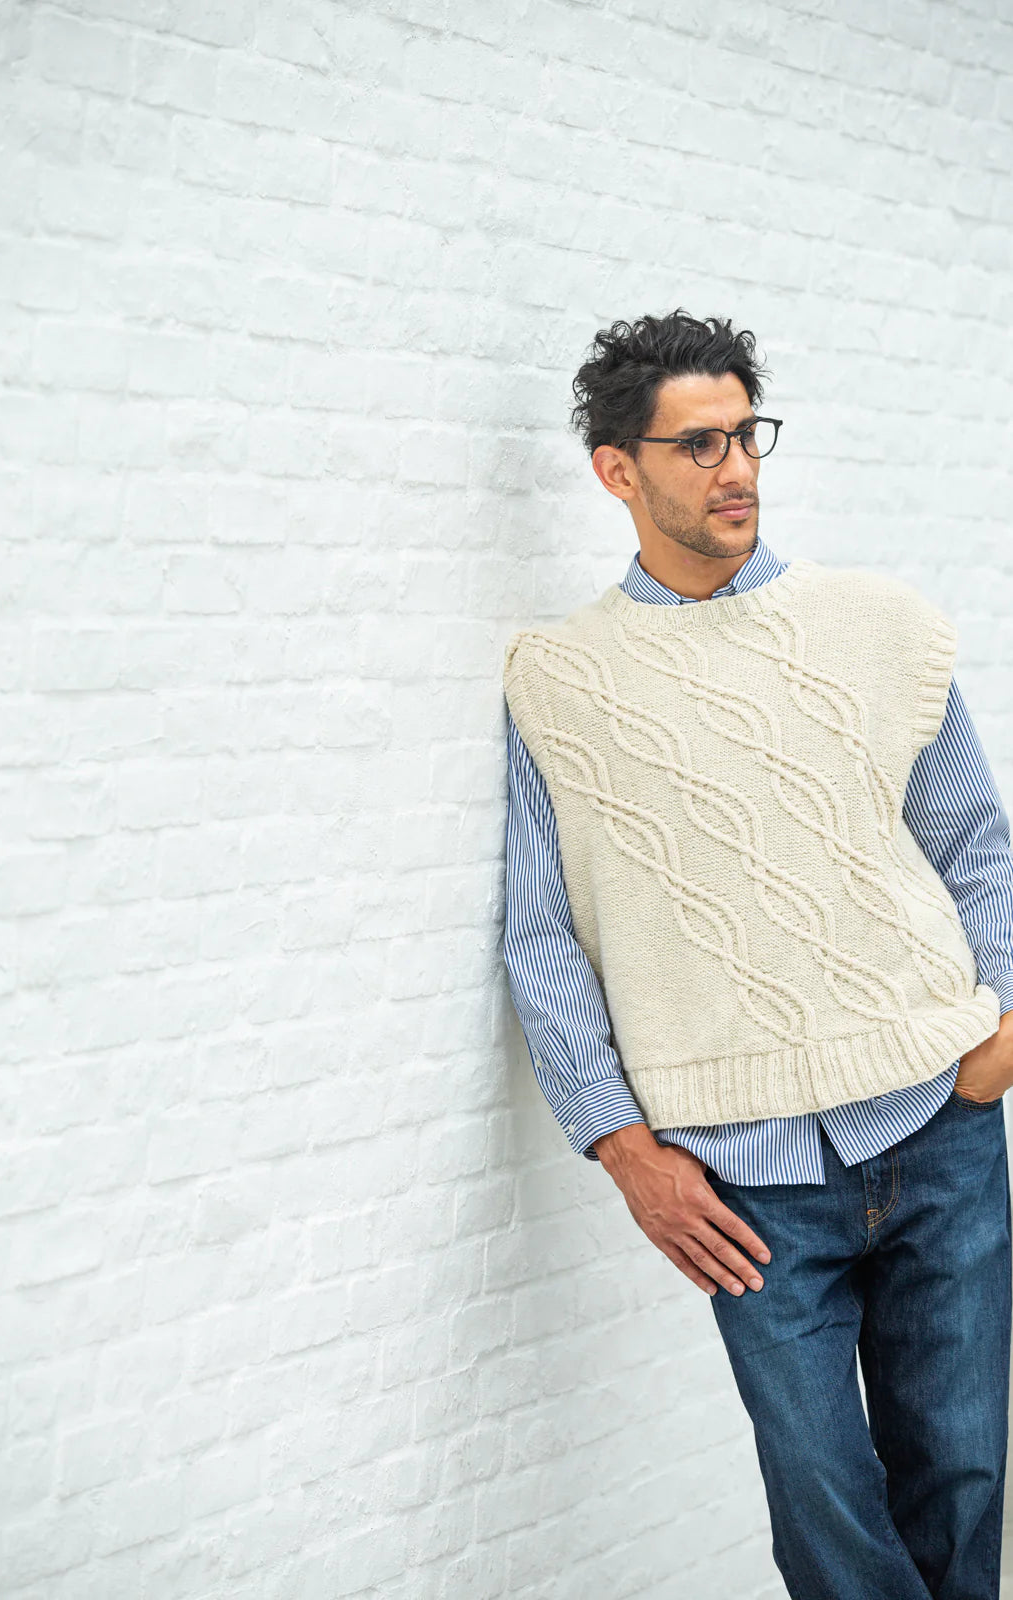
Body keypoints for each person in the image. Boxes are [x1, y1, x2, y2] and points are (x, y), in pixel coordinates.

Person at [501, 309, 1013, 1599]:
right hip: (745, 1186)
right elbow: (541, 932)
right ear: (619, 470)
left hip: (935, 1124)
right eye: (698, 445)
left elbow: (976, 850)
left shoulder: (881, 629)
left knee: (961, 1482)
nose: (736, 469)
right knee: (828, 1517)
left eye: (747, 435)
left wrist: (1002, 1028)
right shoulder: (561, 680)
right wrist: (626, 1152)